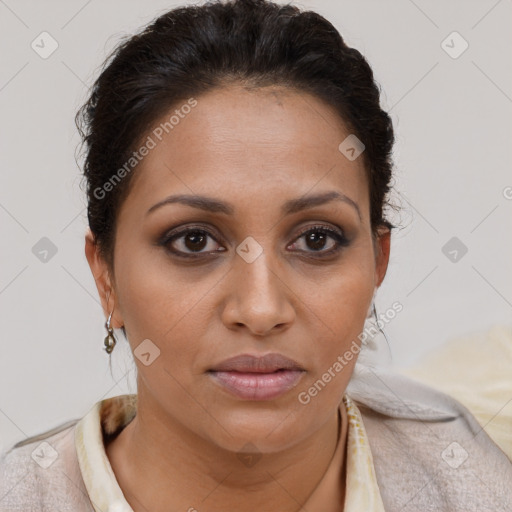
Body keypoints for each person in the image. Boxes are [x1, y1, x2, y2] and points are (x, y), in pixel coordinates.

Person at [1, 1, 510, 510]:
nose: (261, 310)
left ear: (378, 263)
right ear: (105, 275)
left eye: (316, 240)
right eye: (194, 241)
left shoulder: (469, 482)